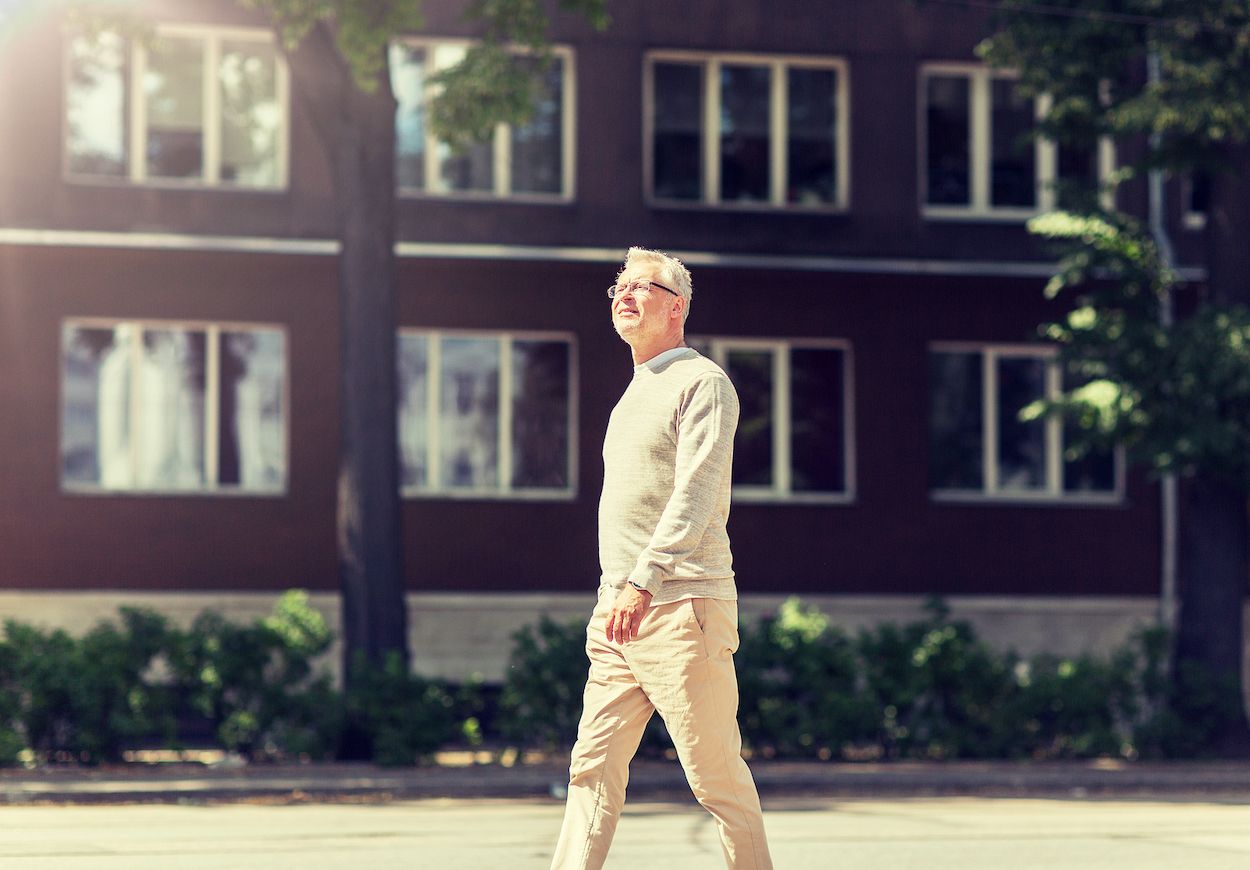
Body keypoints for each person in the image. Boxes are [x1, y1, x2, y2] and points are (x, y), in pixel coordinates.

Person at [550, 247, 774, 869]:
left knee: (715, 777)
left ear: (676, 307)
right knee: (591, 768)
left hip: (680, 606)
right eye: (618, 286)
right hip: (618, 610)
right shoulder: (634, 391)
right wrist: (618, 591)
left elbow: (696, 495)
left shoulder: (703, 383)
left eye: (640, 286)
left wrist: (643, 581)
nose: (623, 295)